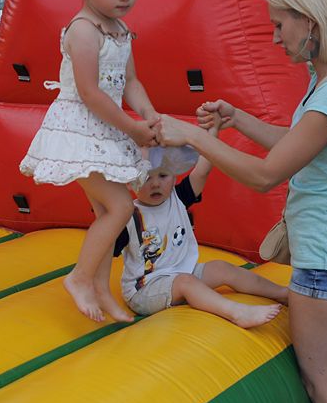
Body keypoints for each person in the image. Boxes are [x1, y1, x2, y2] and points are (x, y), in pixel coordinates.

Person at [155, 0, 327, 403]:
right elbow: (296, 144)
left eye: (280, 23)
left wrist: (193, 135)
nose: (274, 35)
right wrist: (238, 119)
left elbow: (265, 175)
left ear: (312, 22)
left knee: (325, 384)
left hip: (326, 256)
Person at [18, 0, 160, 323]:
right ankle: (80, 278)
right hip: (79, 129)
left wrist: (148, 115)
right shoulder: (83, 30)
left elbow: (131, 83)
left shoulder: (120, 29)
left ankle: (101, 288)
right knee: (120, 206)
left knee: (105, 211)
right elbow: (90, 93)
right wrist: (133, 129)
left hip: (105, 129)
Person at [115, 139, 288, 327]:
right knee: (185, 282)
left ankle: (283, 294)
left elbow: (202, 171)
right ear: (130, 183)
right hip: (145, 290)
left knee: (221, 268)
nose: (155, 184)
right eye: (147, 178)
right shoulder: (128, 217)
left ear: (174, 177)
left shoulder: (178, 198)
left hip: (181, 275)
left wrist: (210, 133)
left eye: (163, 175)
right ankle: (237, 313)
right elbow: (105, 249)